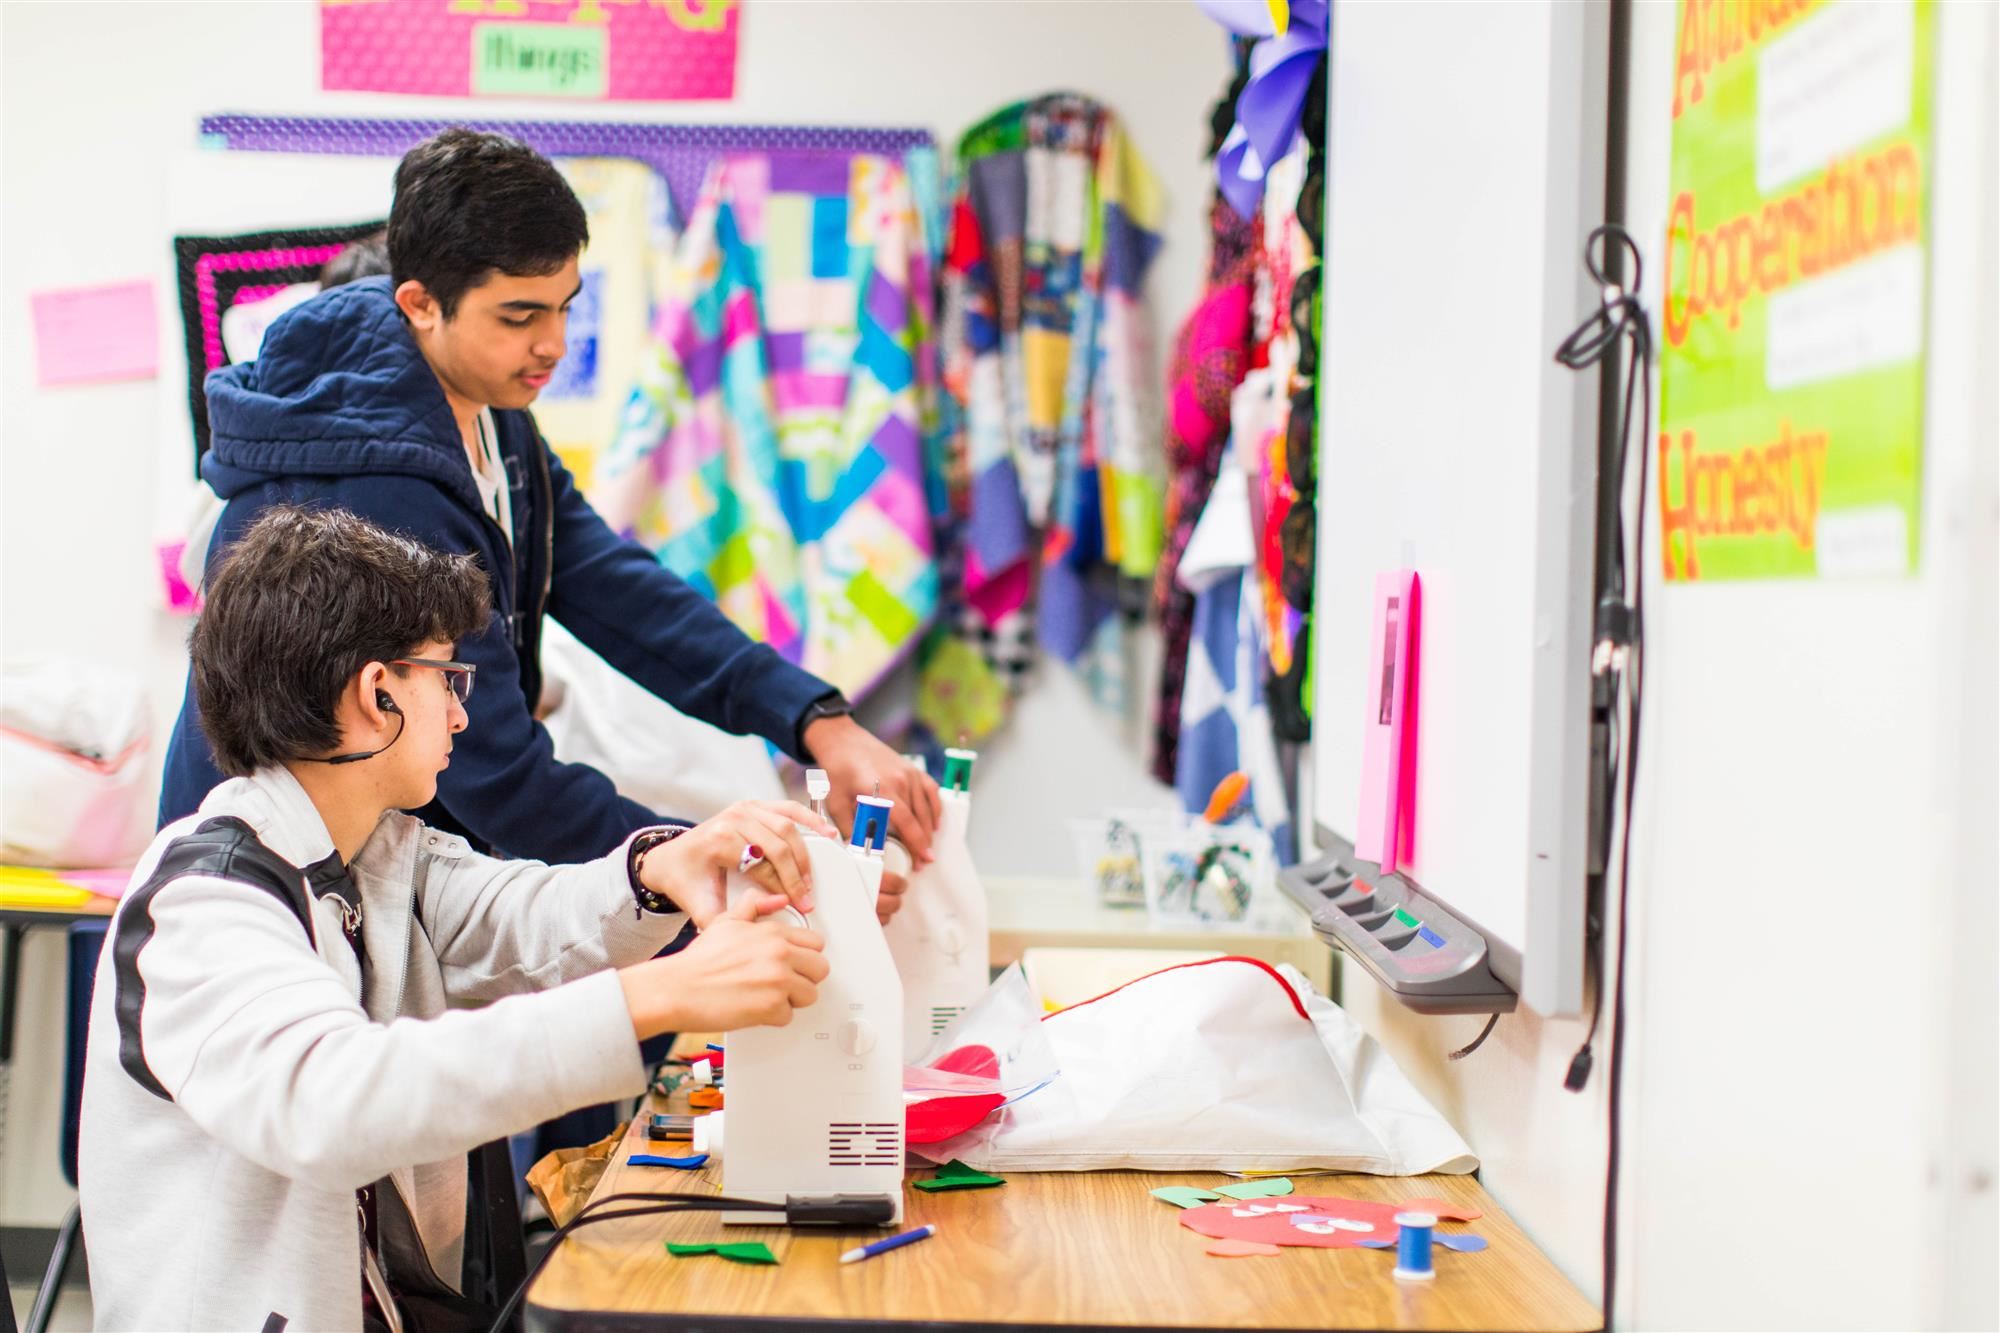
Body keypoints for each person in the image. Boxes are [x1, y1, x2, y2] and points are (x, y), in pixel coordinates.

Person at [80, 505, 837, 1330]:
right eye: (447, 677)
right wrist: (661, 996)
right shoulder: (205, 901)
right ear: (378, 693)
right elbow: (336, 1100)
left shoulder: (380, 852)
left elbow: (522, 916)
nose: (461, 714)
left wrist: (656, 868)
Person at [159, 127, 940, 918]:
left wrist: (814, 718)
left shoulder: (484, 407)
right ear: (420, 304)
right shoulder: (377, 485)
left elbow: (615, 586)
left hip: (379, 870)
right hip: (278, 885)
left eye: (567, 306)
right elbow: (500, 775)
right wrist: (718, 862)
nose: (553, 344)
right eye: (519, 315)